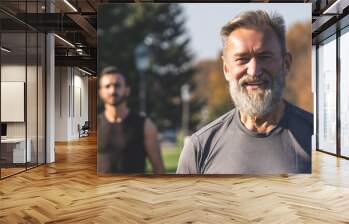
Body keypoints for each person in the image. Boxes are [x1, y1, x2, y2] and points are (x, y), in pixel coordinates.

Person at [176, 10, 313, 174]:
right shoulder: (199, 148)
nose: (254, 71)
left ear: (286, 64)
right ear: (226, 69)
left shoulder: (320, 139)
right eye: (242, 59)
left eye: (264, 57)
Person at [97, 66, 165, 173]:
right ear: (100, 92)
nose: (112, 90)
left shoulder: (145, 125)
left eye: (117, 85)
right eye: (107, 86)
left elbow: (159, 169)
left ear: (127, 90)